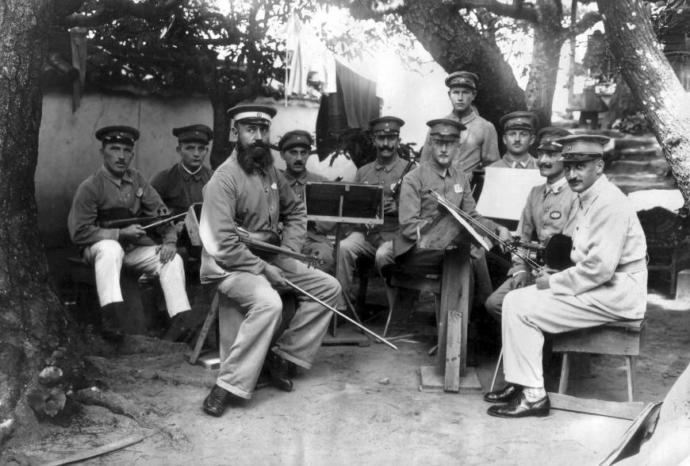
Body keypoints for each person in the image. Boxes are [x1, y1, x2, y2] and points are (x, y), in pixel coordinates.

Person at [485, 134, 648, 418]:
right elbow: (585, 257)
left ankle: (534, 396)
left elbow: (600, 268)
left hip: (616, 293)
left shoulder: (609, 203)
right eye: (569, 166)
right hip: (599, 286)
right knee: (514, 300)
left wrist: (554, 281)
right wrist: (556, 272)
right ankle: (523, 383)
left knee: (522, 307)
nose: (572, 174)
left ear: (599, 166)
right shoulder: (589, 197)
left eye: (580, 166)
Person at [199, 104, 341, 417]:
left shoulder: (271, 173)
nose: (259, 137)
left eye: (264, 130)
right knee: (270, 303)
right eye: (251, 129)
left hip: (270, 258)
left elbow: (295, 211)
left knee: (328, 287)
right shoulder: (223, 180)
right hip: (229, 266)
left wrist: (286, 249)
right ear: (235, 133)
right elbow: (221, 244)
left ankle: (282, 356)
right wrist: (265, 269)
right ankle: (228, 384)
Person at [67, 126, 191, 342]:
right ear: (102, 152)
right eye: (114, 149)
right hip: (98, 252)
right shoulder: (91, 186)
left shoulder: (138, 181)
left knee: (172, 259)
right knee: (110, 248)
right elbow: (79, 232)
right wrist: (119, 234)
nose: (121, 156)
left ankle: (179, 322)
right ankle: (111, 317)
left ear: (132, 154)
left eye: (126, 150)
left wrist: (170, 241)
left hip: (133, 250)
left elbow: (162, 214)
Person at [394, 118, 511, 296]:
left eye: (449, 144)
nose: (443, 149)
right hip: (416, 250)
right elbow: (409, 225)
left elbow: (472, 216)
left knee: (482, 257)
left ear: (458, 146)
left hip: (451, 250)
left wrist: (498, 229)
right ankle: (466, 318)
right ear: (431, 144)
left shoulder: (460, 178)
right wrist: (446, 238)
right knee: (467, 256)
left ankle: (471, 316)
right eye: (439, 143)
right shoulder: (413, 178)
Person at [484, 127, 576, 320]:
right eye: (541, 154)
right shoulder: (535, 193)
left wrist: (551, 277)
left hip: (561, 277)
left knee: (528, 310)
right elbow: (522, 236)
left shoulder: (575, 195)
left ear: (567, 157)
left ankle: (545, 348)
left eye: (551, 154)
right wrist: (520, 269)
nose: (543, 161)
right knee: (495, 304)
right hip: (532, 270)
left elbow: (573, 250)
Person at [336, 116, 407, 303]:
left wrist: (399, 207)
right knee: (343, 248)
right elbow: (352, 209)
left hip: (396, 235)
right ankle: (342, 309)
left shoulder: (410, 171)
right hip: (367, 234)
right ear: (374, 140)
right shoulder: (363, 172)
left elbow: (422, 209)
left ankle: (396, 317)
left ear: (398, 140)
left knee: (384, 254)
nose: (386, 144)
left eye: (391, 138)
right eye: (381, 138)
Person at [420, 71, 499, 176]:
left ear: (473, 95)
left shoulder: (485, 127)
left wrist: (476, 178)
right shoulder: (437, 126)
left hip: (470, 189)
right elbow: (424, 164)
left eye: (465, 92)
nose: (460, 98)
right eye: (456, 92)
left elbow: (493, 167)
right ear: (449, 95)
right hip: (438, 188)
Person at [278, 130, 335, 273]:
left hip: (313, 240)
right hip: (282, 239)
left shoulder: (320, 182)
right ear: (282, 154)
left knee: (324, 258)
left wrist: (313, 221)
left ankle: (311, 294)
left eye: (303, 153)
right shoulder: (274, 181)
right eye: (293, 152)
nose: (299, 158)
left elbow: (331, 217)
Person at [151, 124, 213, 215]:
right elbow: (150, 213)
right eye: (190, 148)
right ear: (179, 150)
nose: (196, 154)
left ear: (206, 151)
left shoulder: (214, 180)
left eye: (201, 149)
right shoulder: (163, 179)